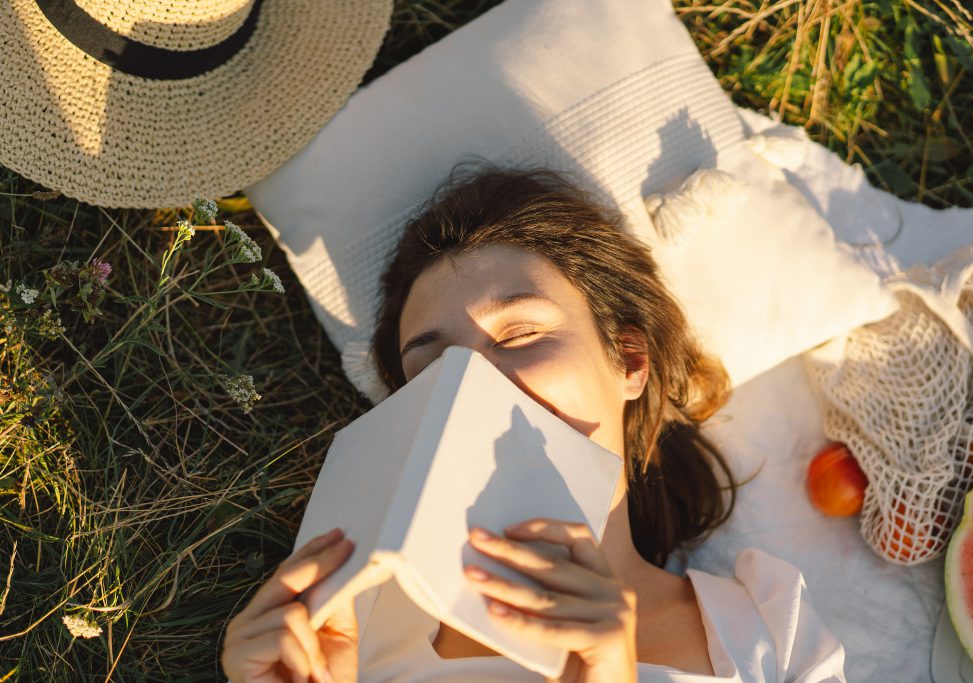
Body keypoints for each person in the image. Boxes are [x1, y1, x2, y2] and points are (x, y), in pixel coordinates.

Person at [221, 166, 847, 683]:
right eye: (435, 365)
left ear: (629, 361)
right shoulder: (339, 636)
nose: (477, 383)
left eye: (520, 335)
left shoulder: (769, 627)